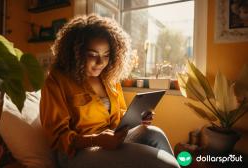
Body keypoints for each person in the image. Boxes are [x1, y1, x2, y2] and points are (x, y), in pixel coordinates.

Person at [40, 14, 179, 168]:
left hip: (111, 141)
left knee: (154, 133)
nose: (101, 62)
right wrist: (96, 140)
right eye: (92, 55)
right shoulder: (57, 81)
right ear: (76, 54)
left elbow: (120, 116)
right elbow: (57, 138)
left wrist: (139, 119)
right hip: (77, 152)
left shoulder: (109, 79)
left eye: (106, 55)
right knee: (165, 164)